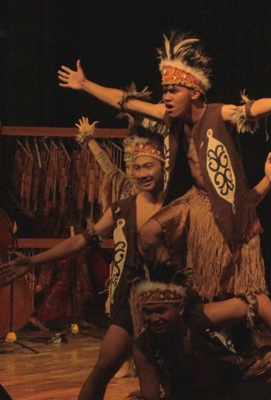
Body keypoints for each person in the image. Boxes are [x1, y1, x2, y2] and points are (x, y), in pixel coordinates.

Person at [57, 31, 271, 302]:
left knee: (232, 289)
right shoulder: (169, 117)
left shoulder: (217, 113)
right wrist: (85, 85)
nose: (166, 96)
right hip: (195, 202)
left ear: (195, 92)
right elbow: (125, 101)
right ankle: (179, 284)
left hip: (223, 208)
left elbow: (249, 110)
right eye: (164, 89)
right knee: (150, 233)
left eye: (173, 90)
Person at [1, 123, 166, 400]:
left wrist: (267, 183)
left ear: (163, 166)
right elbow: (80, 241)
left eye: (148, 166)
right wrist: (32, 262)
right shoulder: (122, 208)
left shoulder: (178, 203)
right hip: (133, 301)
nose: (142, 174)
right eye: (137, 168)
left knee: (160, 371)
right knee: (104, 367)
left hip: (173, 300)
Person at [130, 263, 271, 400]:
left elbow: (260, 302)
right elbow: (150, 394)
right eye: (148, 312)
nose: (154, 318)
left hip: (236, 381)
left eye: (161, 310)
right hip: (191, 395)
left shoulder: (203, 316)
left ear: (180, 307)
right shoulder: (145, 346)